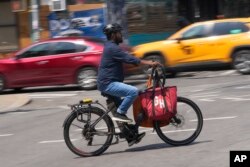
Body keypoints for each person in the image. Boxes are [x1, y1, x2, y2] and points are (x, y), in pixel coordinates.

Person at [97, 23, 161, 146]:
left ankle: (130, 136)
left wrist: (141, 66)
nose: (121, 35)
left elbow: (128, 60)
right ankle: (120, 114)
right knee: (133, 92)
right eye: (119, 33)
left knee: (123, 106)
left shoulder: (112, 47)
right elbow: (129, 59)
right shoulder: (112, 48)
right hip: (108, 84)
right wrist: (148, 62)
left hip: (109, 83)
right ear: (114, 35)